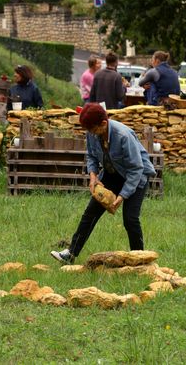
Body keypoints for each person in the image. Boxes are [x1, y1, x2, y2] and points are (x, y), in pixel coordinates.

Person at [51, 103, 156, 264]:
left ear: (104, 124)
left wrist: (122, 196)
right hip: (112, 173)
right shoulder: (92, 132)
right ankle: (70, 254)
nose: (91, 133)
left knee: (130, 219)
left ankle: (140, 260)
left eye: (93, 130)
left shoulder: (123, 136)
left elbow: (136, 168)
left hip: (136, 176)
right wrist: (93, 176)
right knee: (90, 212)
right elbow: (92, 156)